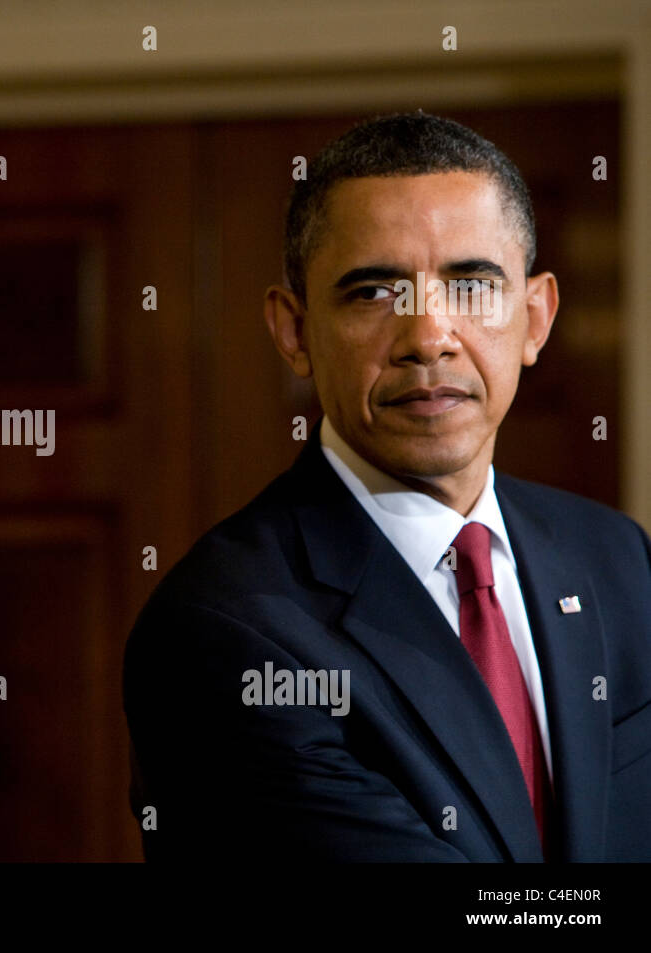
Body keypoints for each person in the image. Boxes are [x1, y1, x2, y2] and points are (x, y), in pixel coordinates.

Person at [124, 112, 651, 862]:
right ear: (294, 332)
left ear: (535, 318)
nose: (427, 336)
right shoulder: (222, 631)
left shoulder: (617, 559)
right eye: (374, 292)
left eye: (471, 284)